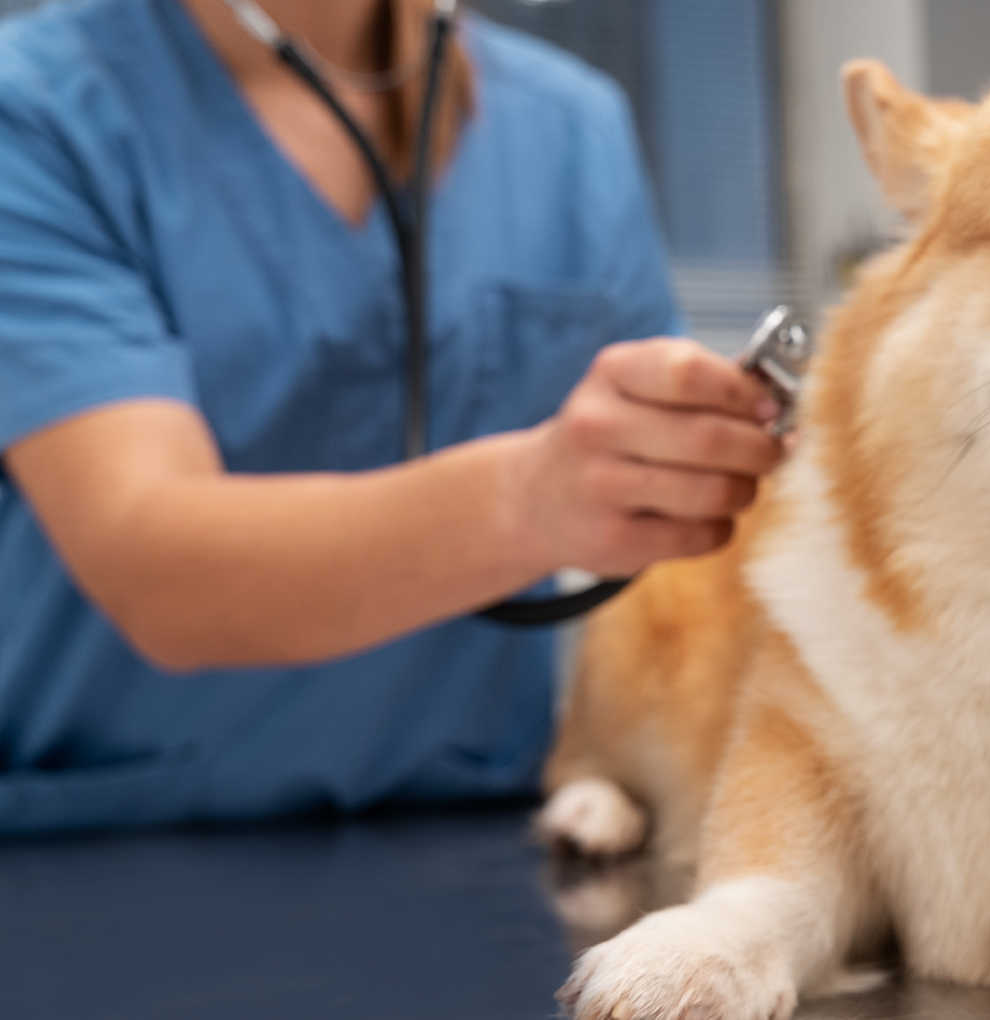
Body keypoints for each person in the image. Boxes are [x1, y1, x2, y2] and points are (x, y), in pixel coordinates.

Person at [0, 0, 781, 834]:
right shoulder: (39, 112)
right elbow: (154, 566)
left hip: (473, 838)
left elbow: (678, 506)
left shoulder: (570, 130)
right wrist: (527, 499)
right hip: (106, 846)